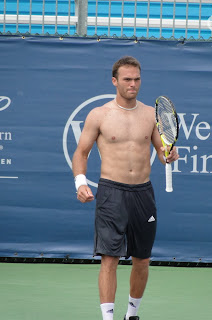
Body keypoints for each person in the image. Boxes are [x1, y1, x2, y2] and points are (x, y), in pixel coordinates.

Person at [72, 56, 179, 320]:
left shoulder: (149, 115)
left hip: (143, 193)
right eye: (127, 79)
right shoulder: (99, 115)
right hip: (111, 193)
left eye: (137, 79)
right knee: (110, 259)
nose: (133, 84)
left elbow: (161, 150)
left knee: (142, 260)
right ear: (114, 81)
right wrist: (80, 182)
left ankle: (131, 314)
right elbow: (81, 153)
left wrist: (169, 154)